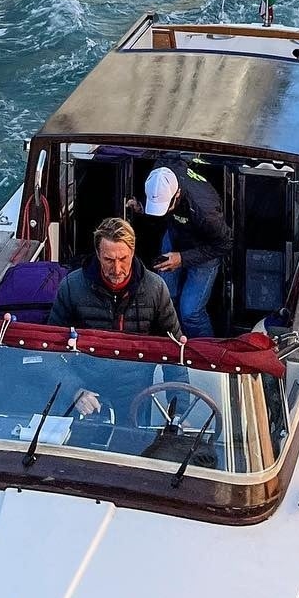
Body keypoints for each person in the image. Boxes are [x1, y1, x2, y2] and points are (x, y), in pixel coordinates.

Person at [49, 217, 181, 419]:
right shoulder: (71, 287)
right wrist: (74, 390)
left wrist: (179, 411)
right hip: (85, 397)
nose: (117, 269)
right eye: (109, 260)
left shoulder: (155, 289)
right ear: (98, 254)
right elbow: (49, 352)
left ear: (133, 252)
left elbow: (175, 353)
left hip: (137, 397)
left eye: (123, 259)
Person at [131, 161, 230, 339]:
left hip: (205, 248)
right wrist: (142, 207)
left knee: (190, 313)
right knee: (165, 301)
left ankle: (206, 354)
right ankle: (168, 344)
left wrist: (182, 258)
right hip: (175, 235)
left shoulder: (205, 211)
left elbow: (224, 243)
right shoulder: (158, 175)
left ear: (177, 195)